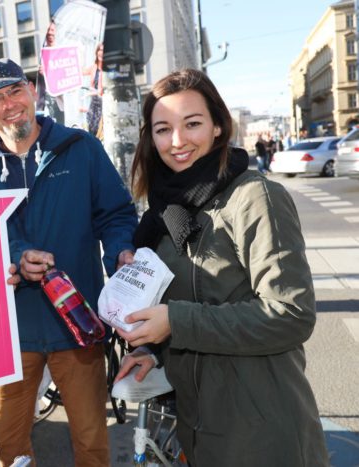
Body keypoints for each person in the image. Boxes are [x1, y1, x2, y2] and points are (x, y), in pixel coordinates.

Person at [116, 68, 329, 466]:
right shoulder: (165, 213)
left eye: (192, 124)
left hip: (263, 433)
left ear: (218, 126)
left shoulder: (255, 197)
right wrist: (155, 350)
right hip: (197, 430)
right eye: (163, 129)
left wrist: (174, 321)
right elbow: (193, 302)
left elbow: (291, 314)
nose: (177, 141)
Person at [0, 58, 138, 467]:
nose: (9, 104)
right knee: (8, 445)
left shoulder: (81, 148)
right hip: (12, 331)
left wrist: (120, 256)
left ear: (32, 91)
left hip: (78, 323)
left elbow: (116, 215)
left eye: (15, 91)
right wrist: (15, 255)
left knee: (92, 441)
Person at [81, 43, 104, 138]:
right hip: (93, 101)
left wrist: (88, 94)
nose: (101, 53)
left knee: (98, 128)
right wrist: (82, 54)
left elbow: (101, 91)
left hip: (101, 101)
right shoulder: (94, 67)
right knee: (90, 125)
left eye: (103, 51)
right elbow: (81, 72)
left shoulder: (106, 69)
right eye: (100, 50)